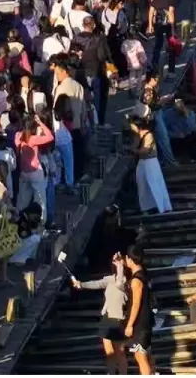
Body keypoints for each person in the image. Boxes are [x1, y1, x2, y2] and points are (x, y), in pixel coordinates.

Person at [71, 253, 128, 375]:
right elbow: (97, 283)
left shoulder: (126, 281)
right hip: (107, 318)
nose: (115, 263)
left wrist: (120, 266)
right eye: (113, 261)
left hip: (119, 319)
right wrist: (81, 284)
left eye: (117, 262)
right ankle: (111, 373)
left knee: (120, 353)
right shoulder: (110, 279)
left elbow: (119, 284)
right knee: (109, 353)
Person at [122, 246, 156, 375]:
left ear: (130, 259)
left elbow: (135, 304)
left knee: (140, 357)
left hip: (140, 322)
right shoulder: (145, 274)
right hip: (147, 319)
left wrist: (129, 325)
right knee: (147, 354)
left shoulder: (136, 281)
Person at [131, 117, 171, 215]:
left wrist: (134, 151)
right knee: (142, 184)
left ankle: (161, 207)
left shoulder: (149, 135)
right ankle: (145, 207)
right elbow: (134, 146)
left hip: (150, 162)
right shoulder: (137, 136)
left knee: (154, 184)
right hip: (141, 162)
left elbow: (146, 150)